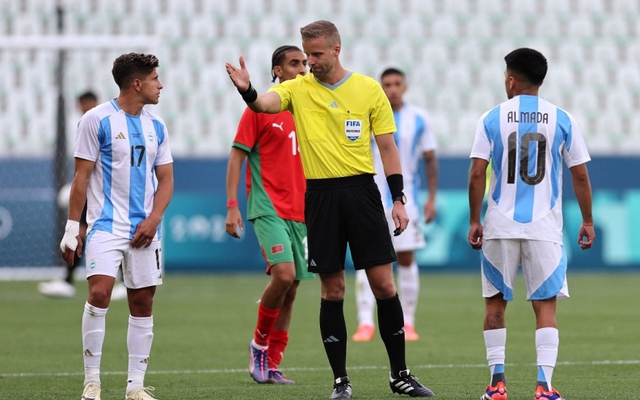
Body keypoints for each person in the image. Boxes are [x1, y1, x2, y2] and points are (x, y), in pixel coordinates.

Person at [226, 20, 434, 399]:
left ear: (337, 49)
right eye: (307, 56)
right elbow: (264, 103)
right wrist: (248, 90)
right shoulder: (297, 88)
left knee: (384, 284)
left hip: (363, 192)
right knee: (332, 289)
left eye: (317, 55)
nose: (311, 62)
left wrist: (399, 198)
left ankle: (400, 374)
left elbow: (388, 148)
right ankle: (341, 381)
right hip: (320, 197)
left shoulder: (369, 89)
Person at [467, 48, 595, 400]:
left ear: (510, 79)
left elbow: (478, 172)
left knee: (495, 304)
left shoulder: (490, 118)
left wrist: (474, 219)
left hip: (499, 224)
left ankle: (496, 385)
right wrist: (587, 219)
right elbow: (580, 175)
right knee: (546, 306)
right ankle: (544, 386)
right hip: (544, 227)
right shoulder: (562, 119)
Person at [59, 52, 173, 400]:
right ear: (136, 83)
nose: (160, 84)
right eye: (155, 78)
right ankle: (91, 382)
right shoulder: (96, 120)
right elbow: (81, 178)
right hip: (106, 225)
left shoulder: (157, 126)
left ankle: (135, 387)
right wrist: (70, 228)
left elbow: (166, 180)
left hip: (145, 230)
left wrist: (153, 220)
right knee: (99, 294)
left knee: (142, 303)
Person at [225, 45, 315, 385]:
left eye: (304, 63)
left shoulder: (307, 110)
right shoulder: (259, 110)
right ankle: (258, 345)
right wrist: (232, 206)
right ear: (277, 71)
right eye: (294, 63)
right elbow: (236, 158)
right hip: (268, 207)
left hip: (302, 211)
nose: (302, 68)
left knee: (291, 288)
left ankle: (273, 363)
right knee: (283, 275)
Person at [352, 67, 438, 342]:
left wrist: (432, 198)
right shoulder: (368, 113)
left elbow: (430, 159)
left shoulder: (419, 118)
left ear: (405, 86)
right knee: (369, 258)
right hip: (370, 199)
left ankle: (408, 321)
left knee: (406, 258)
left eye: (396, 83)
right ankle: (365, 322)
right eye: (386, 84)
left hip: (406, 199)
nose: (392, 89)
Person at [39, 91, 127, 301]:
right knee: (82, 232)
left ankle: (120, 281)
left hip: (104, 190)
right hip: (92, 188)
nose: (82, 108)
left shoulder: (101, 122)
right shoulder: (89, 122)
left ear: (91, 103)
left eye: (84, 104)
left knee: (111, 231)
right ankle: (69, 281)